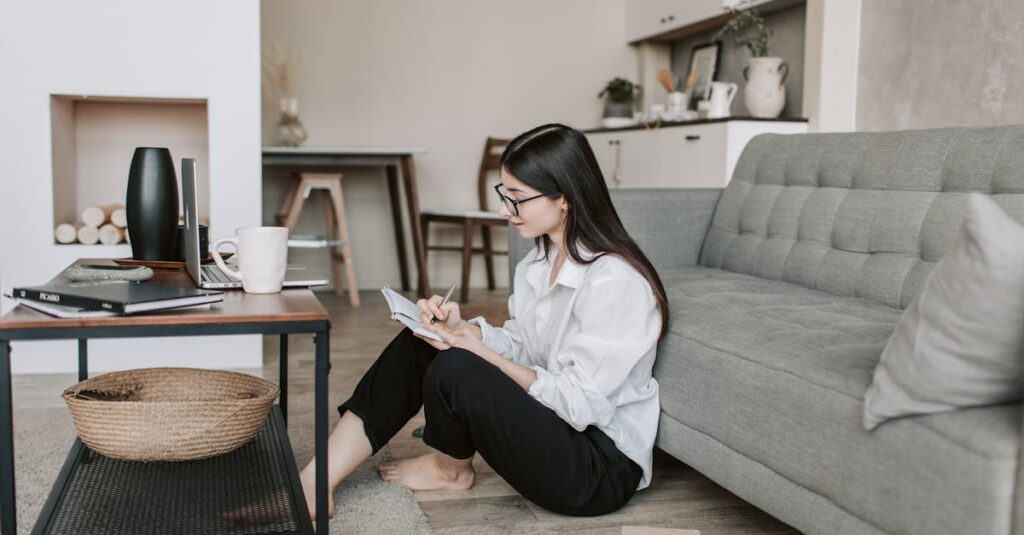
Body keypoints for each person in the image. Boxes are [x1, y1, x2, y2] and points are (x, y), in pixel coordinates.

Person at [297, 123, 669, 519]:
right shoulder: (538, 264)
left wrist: (477, 353)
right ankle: (317, 479)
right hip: (558, 427)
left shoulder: (615, 282)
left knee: (459, 365)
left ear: (565, 198)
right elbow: (527, 347)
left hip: (597, 468)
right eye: (504, 195)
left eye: (517, 199)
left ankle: (449, 470)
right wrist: (466, 330)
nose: (503, 210)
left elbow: (580, 405)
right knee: (424, 339)